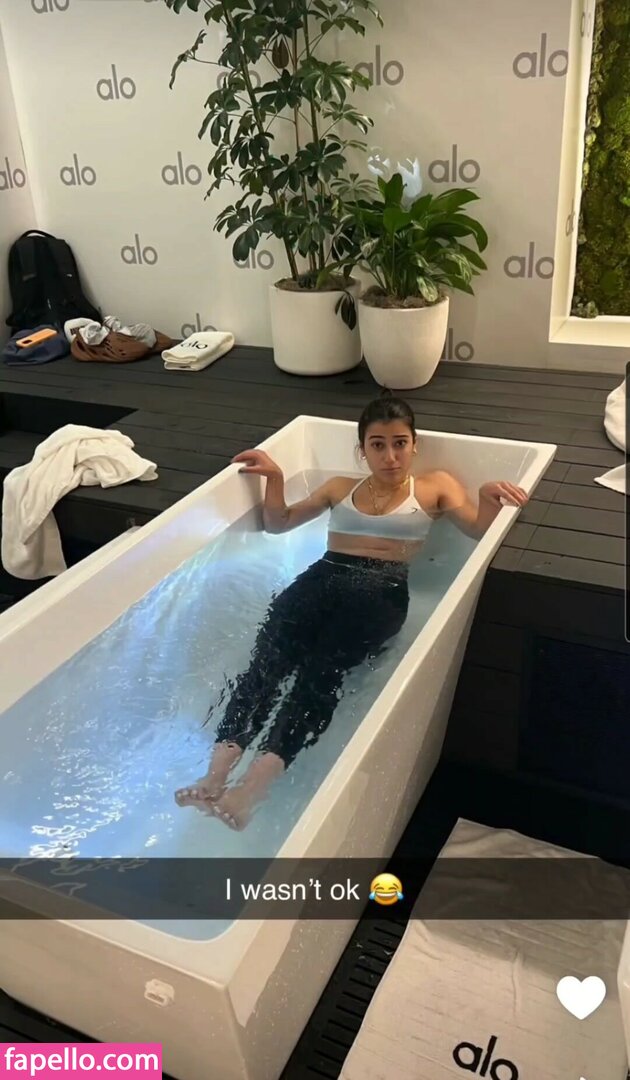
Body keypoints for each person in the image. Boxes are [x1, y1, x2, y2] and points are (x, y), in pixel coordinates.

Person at [175, 392, 528, 829]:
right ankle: (214, 776)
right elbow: (278, 523)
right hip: (320, 580)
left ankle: (252, 789)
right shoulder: (340, 487)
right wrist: (276, 477)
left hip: (381, 591)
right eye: (378, 445)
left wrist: (488, 497)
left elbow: (478, 531)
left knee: (319, 676)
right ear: (363, 450)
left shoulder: (435, 486)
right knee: (264, 666)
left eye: (399, 443)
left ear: (414, 445)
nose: (390, 456)